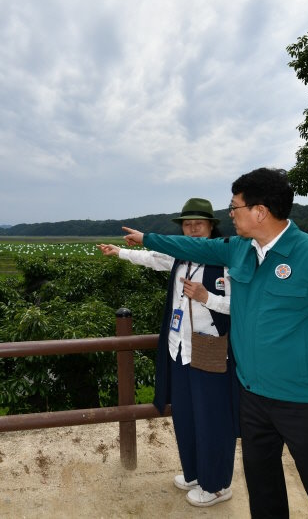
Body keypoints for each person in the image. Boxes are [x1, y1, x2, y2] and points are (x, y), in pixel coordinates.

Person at [122, 168, 308, 518]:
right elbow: (191, 245)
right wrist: (148, 238)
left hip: (305, 398)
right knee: (263, 487)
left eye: (235, 207)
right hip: (252, 395)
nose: (230, 214)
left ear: (260, 211)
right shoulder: (239, 250)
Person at [98, 198, 238, 508]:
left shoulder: (227, 257)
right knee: (186, 415)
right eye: (187, 224)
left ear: (212, 226)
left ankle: (216, 485)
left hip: (212, 348)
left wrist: (207, 298)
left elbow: (243, 306)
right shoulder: (181, 256)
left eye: (198, 224)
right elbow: (154, 258)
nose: (192, 229)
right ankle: (195, 473)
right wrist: (120, 252)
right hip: (179, 348)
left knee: (213, 418)